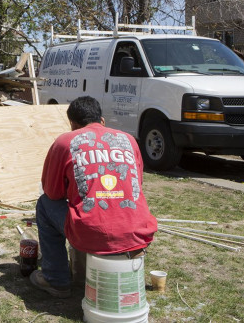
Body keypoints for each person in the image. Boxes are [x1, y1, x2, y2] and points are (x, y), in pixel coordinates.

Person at [30, 96, 157, 298]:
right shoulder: (129, 140)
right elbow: (136, 184)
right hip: (137, 231)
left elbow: (52, 193)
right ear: (102, 120)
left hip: (91, 232)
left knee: (45, 205)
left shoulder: (65, 142)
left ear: (72, 123)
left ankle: (56, 280)